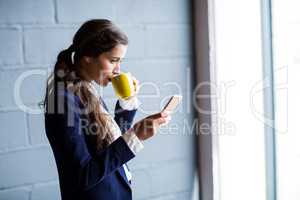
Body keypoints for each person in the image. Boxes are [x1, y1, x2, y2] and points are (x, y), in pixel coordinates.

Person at [42, 19, 171, 200]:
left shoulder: (86, 89)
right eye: (113, 61)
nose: (118, 70)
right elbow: (82, 176)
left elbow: (107, 143)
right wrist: (135, 137)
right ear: (88, 56)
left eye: (120, 61)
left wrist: (127, 102)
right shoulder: (63, 101)